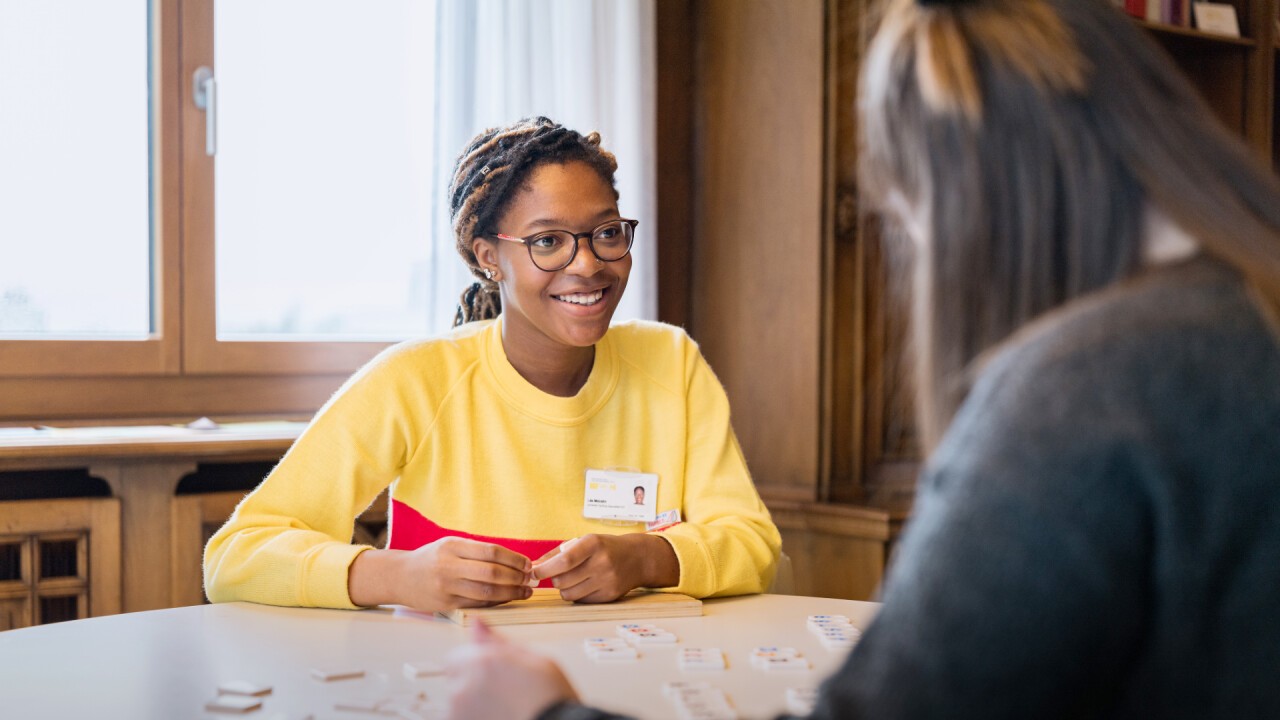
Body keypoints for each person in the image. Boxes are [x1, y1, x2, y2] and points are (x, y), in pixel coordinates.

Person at [440, 0, 1280, 717]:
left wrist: (545, 710)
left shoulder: (1077, 395)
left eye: (907, 224)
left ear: (960, 198)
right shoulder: (1243, 312)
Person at [203, 116, 780, 613]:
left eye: (606, 233)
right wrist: (398, 575)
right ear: (489, 258)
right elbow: (236, 555)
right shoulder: (416, 380)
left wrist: (647, 557)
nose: (588, 264)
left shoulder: (671, 363)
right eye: (547, 242)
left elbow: (753, 544)